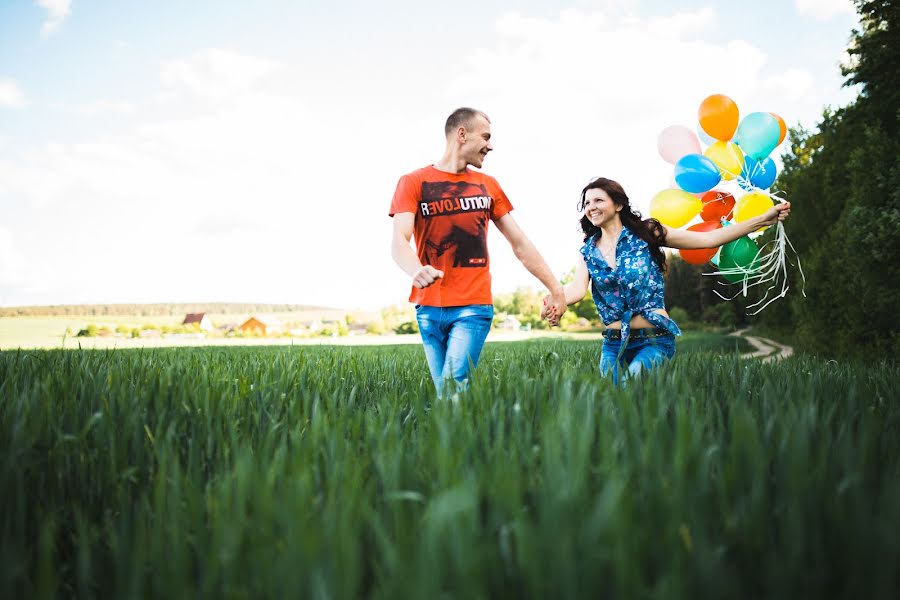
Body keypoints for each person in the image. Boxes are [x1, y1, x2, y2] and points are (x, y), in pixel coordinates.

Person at [390, 107, 567, 396]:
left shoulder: (487, 186)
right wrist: (415, 269)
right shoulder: (413, 182)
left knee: (451, 388)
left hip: (473, 305)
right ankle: (456, 439)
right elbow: (399, 239)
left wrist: (555, 287)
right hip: (428, 308)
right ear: (462, 134)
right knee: (448, 395)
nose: (490, 145)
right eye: (485, 136)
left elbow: (520, 243)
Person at [542, 176, 790, 383]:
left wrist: (761, 219)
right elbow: (575, 289)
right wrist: (555, 298)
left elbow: (708, 240)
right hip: (614, 344)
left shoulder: (647, 233)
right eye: (586, 202)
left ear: (618, 205)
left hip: (654, 339)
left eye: (598, 200)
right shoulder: (588, 251)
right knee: (611, 404)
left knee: (630, 388)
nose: (591, 207)